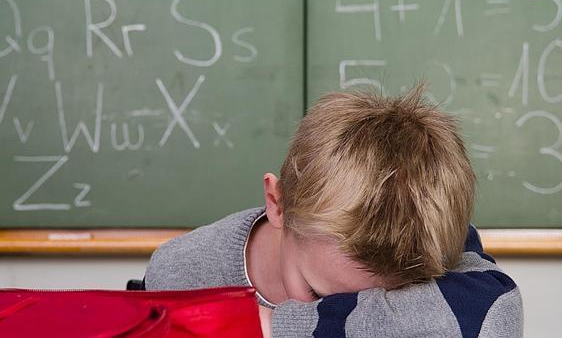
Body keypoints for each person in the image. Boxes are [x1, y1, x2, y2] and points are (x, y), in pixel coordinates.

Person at [145, 85, 523, 337]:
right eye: (315, 291)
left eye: (386, 299)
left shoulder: (424, 234)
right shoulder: (181, 272)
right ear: (279, 205)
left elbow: (493, 313)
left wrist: (271, 325)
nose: (347, 308)